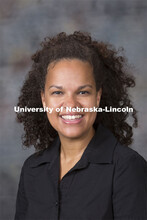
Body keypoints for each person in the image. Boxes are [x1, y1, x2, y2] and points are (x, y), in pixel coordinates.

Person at [14, 31, 147, 220]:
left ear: (98, 97)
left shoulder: (126, 167)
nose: (71, 104)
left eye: (83, 92)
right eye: (58, 93)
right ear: (44, 99)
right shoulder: (32, 169)